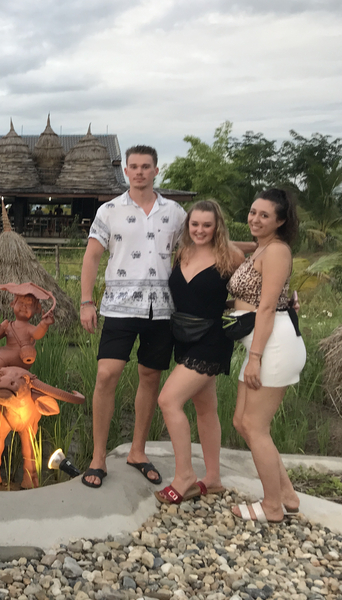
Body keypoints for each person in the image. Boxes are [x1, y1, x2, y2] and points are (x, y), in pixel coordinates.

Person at [78, 145, 187, 489]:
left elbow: (195, 253)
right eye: (134, 167)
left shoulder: (175, 212)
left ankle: (137, 451)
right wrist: (86, 301)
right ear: (126, 171)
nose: (140, 172)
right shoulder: (109, 211)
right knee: (107, 374)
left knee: (150, 376)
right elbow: (92, 257)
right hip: (119, 305)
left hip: (162, 308)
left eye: (146, 166)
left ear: (157, 170)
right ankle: (98, 457)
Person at [155, 200, 244, 504]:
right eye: (195, 224)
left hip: (212, 338)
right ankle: (214, 478)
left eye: (207, 225)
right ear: (187, 225)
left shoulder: (230, 257)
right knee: (205, 408)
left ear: (217, 226)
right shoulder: (183, 252)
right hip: (184, 335)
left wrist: (287, 302)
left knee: (168, 400)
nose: (200, 230)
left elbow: (253, 290)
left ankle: (185, 477)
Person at [228, 188, 305, 523]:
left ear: (281, 221)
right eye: (253, 212)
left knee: (254, 426)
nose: (255, 219)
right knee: (242, 422)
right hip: (262, 344)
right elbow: (232, 248)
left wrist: (256, 357)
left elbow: (269, 305)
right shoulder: (263, 248)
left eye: (264, 215)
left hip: (273, 346)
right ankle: (286, 493)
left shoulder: (276, 252)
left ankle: (272, 507)